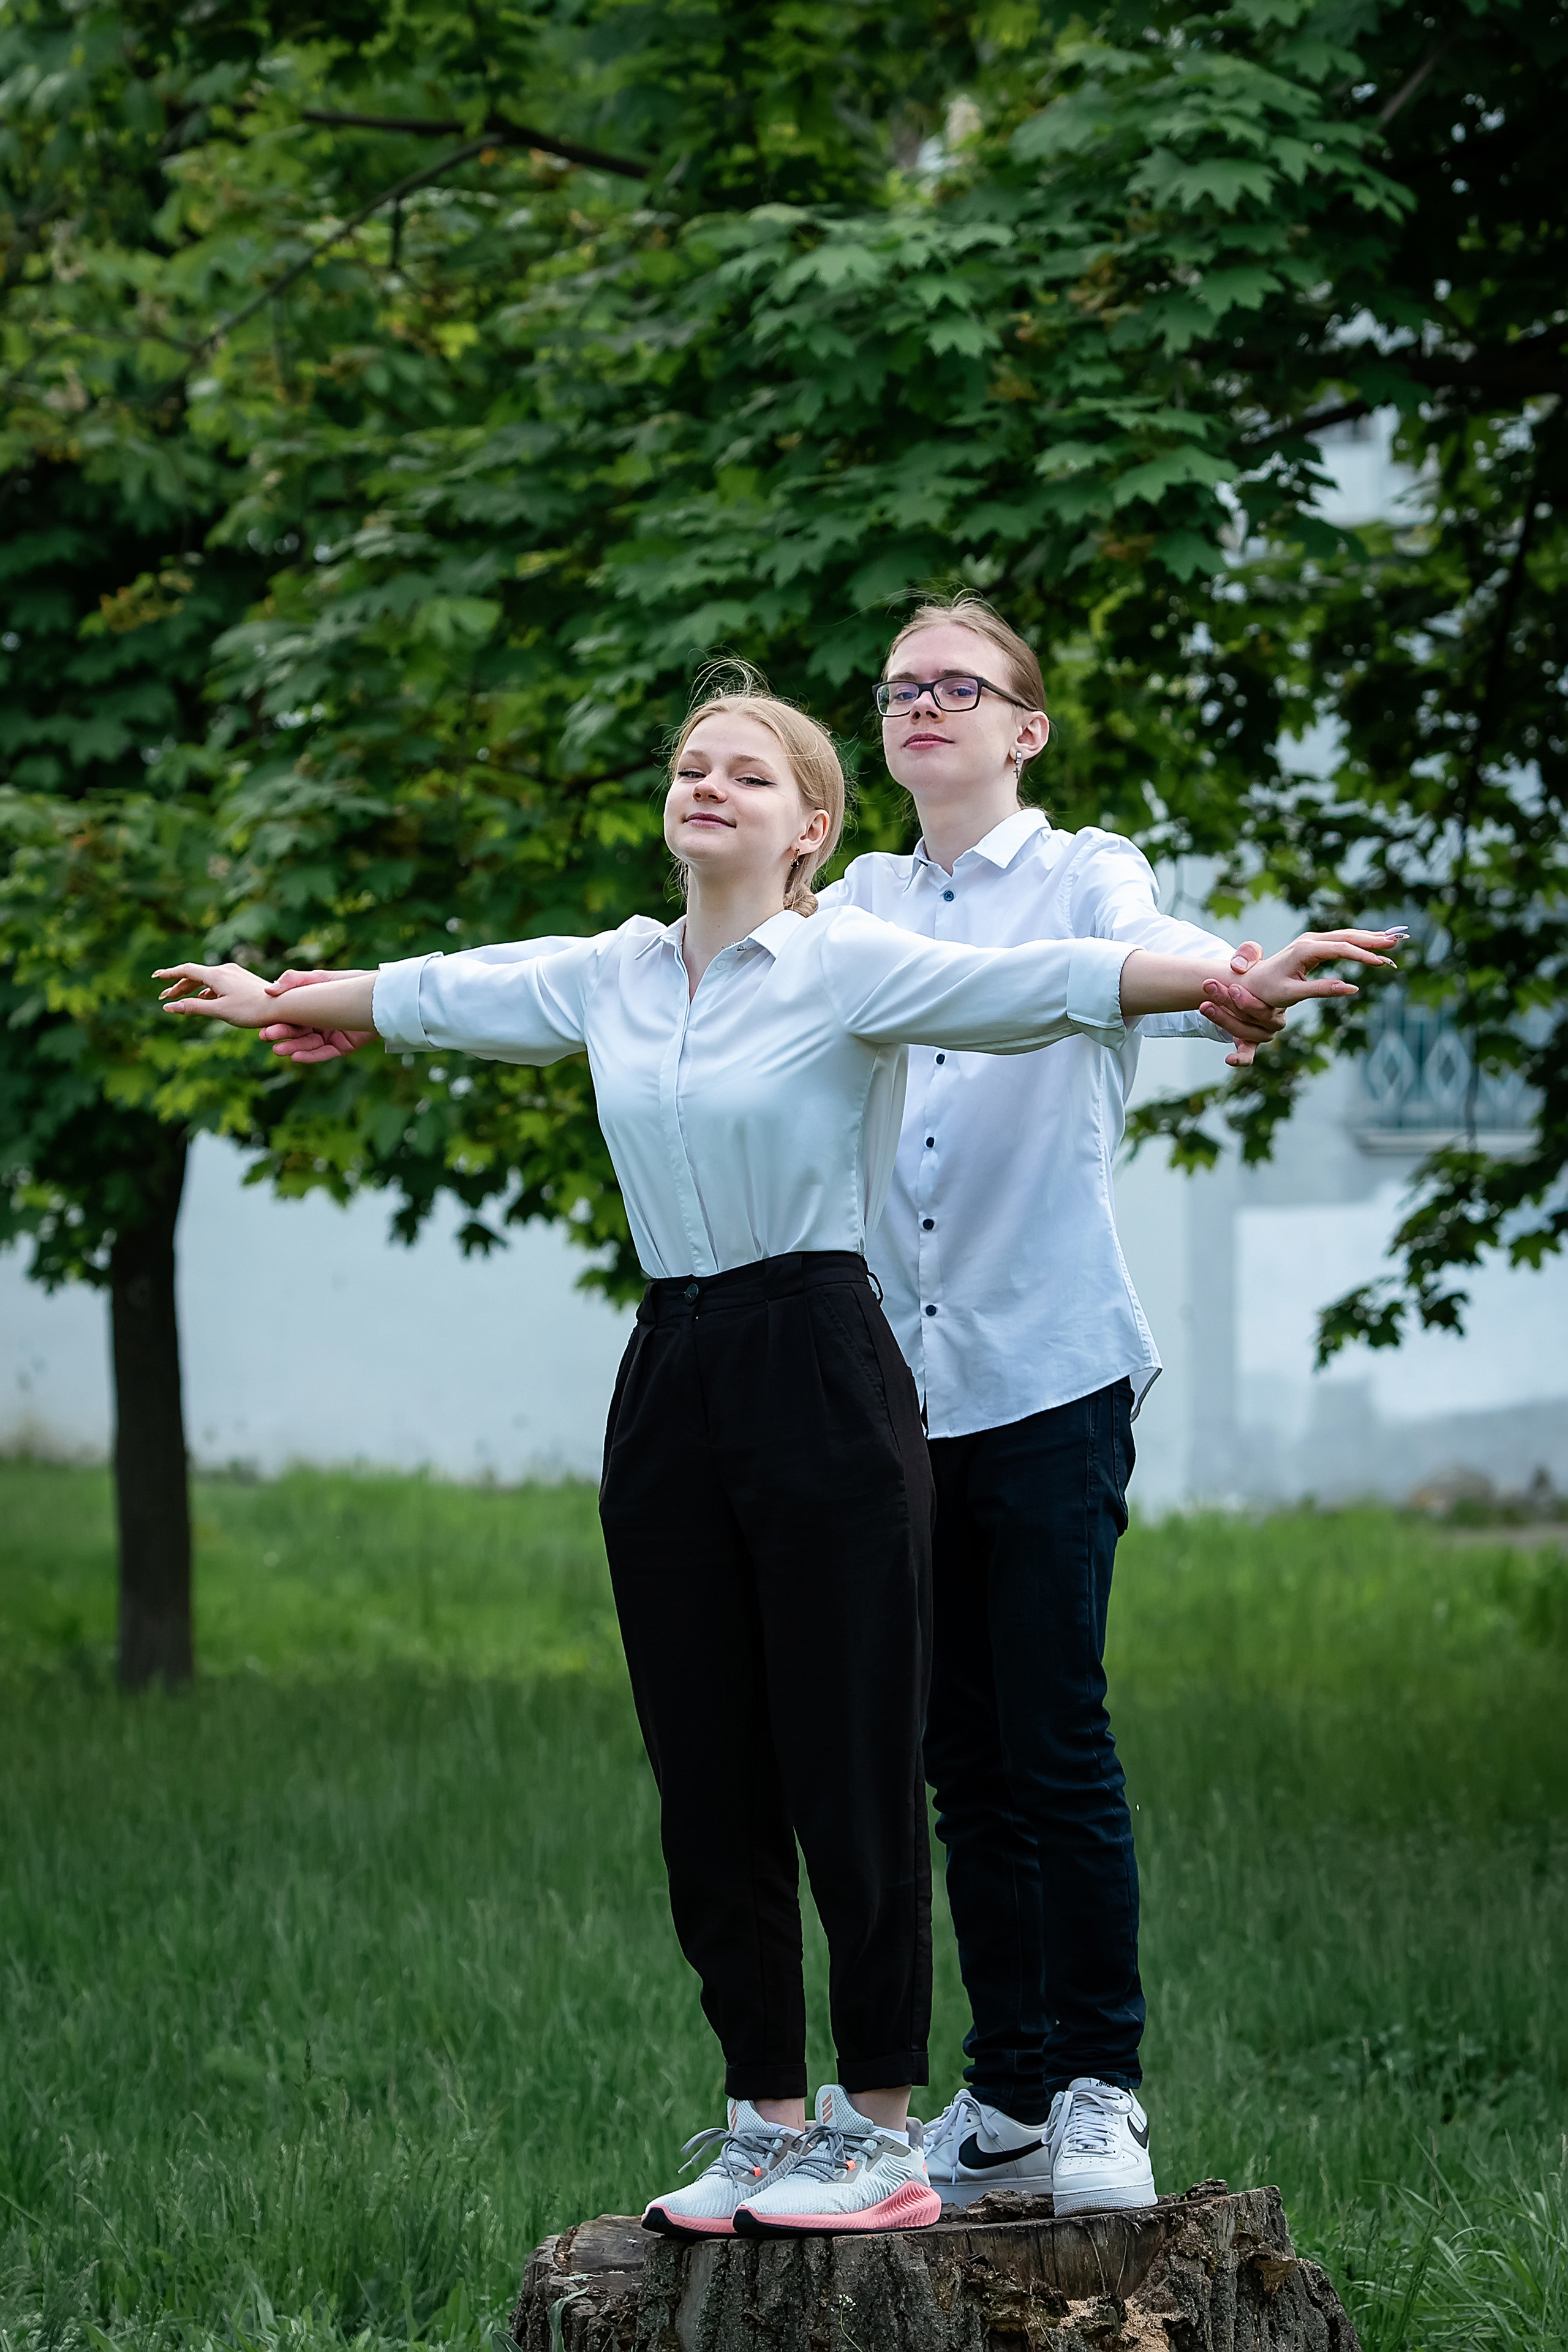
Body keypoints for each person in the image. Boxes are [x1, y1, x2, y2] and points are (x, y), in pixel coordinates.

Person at [195, 676, 1400, 2231]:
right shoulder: (613, 975)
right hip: (673, 1367)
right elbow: (448, 990)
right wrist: (290, 996)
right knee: (707, 1767)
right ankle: (762, 2115)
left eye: (747, 775)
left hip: (826, 1356)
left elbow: (1051, 977)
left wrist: (1229, 977)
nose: (707, 786)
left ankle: (882, 2130)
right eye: (692, 767)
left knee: (853, 1756)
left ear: (807, 829)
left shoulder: (847, 963)